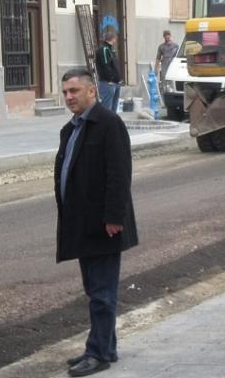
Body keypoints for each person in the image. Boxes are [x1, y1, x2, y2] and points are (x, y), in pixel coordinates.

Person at [54, 68, 138, 377]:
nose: (69, 97)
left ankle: (98, 353)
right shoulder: (71, 128)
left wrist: (114, 217)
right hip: (82, 224)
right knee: (95, 289)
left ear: (92, 91)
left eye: (74, 91)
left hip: (104, 225)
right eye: (65, 92)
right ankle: (106, 346)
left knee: (102, 293)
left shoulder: (108, 123)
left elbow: (119, 173)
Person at [95, 32, 122, 112]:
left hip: (116, 83)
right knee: (106, 109)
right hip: (108, 83)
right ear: (113, 39)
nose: (116, 40)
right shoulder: (104, 49)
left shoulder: (111, 49)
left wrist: (118, 79)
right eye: (115, 38)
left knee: (113, 110)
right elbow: (106, 65)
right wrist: (109, 79)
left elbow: (115, 65)